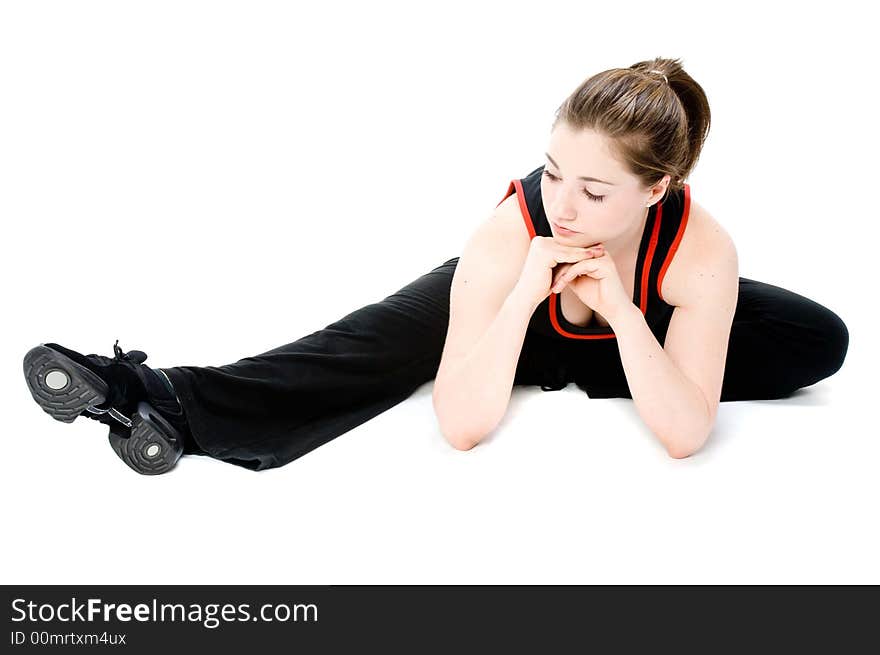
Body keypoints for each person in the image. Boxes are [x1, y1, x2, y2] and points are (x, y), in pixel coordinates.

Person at [22, 57, 849, 475]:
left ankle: (599, 358)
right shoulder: (512, 230)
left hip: (627, 321)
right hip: (522, 305)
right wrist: (524, 295)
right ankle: (154, 398)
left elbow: (685, 436)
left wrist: (631, 317)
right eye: (553, 171)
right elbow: (459, 427)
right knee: (369, 344)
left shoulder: (700, 252)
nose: (563, 206)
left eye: (595, 191)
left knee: (816, 339)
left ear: (660, 187)